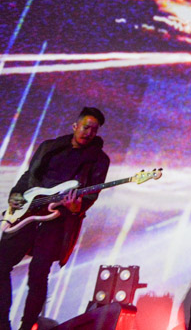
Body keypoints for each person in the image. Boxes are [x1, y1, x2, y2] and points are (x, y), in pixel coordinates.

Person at [1, 107, 110, 330]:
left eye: (94, 129)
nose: (89, 132)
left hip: (57, 221)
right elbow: (28, 176)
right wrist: (16, 195)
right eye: (86, 127)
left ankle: (27, 326)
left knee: (38, 276)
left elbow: (90, 195)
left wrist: (77, 206)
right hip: (29, 213)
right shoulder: (49, 147)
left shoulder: (98, 160)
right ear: (75, 126)